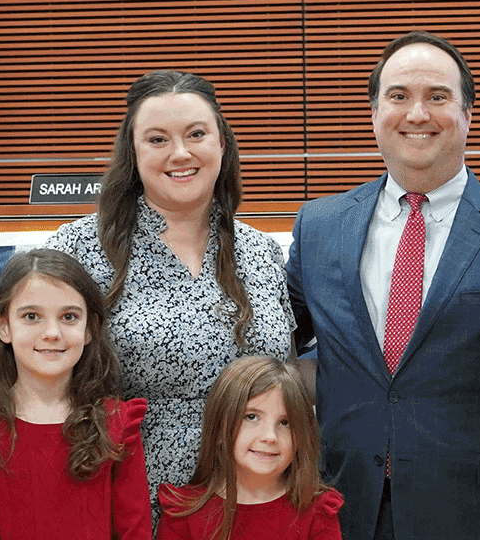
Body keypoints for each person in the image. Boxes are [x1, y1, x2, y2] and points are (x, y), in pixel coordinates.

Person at [287, 31, 480, 540]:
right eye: (398, 96)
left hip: (476, 517)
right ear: (374, 114)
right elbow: (277, 342)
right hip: (339, 508)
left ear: (468, 114)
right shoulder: (318, 226)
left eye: (438, 97)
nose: (417, 114)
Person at [45, 70, 295, 520]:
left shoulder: (261, 252)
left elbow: (290, 375)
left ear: (222, 143)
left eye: (196, 134)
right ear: (134, 153)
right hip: (131, 504)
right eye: (157, 139)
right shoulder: (78, 249)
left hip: (257, 502)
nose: (181, 153)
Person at [0, 248, 151, 539]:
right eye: (31, 316)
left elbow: (135, 531)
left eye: (69, 317)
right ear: (3, 326)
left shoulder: (118, 422)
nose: (52, 332)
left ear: (89, 328)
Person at [157, 356, 343, 540]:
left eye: (285, 422)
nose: (270, 436)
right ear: (220, 428)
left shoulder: (318, 511)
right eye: (251, 417)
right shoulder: (183, 511)